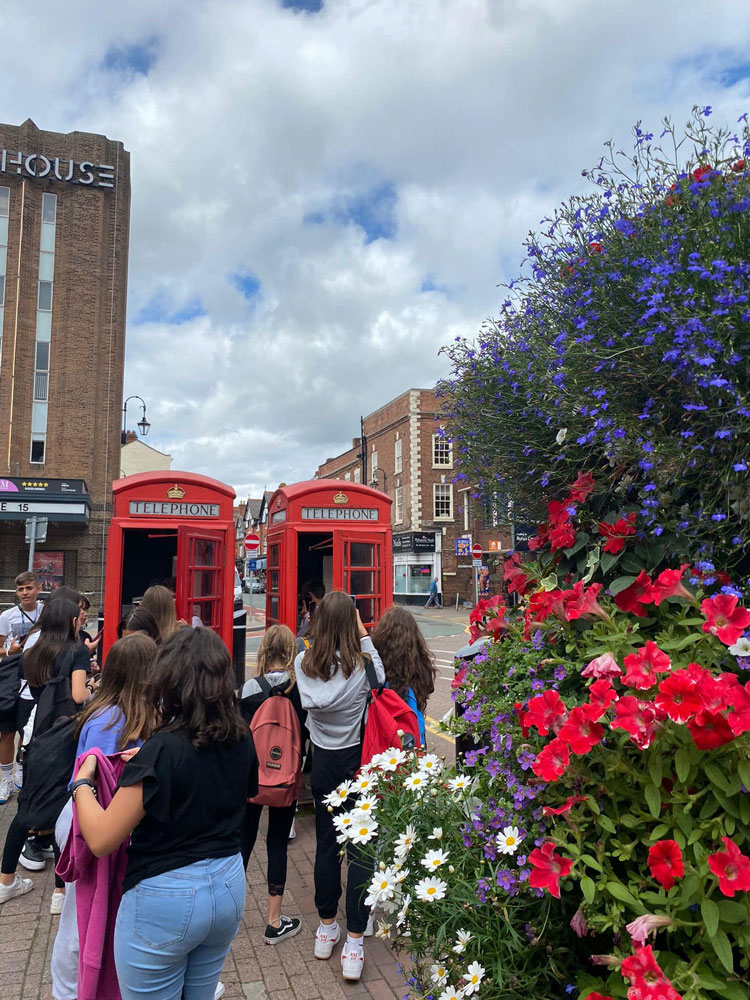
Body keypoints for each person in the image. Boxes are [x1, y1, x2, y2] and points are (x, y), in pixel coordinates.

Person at [70, 627, 258, 1000]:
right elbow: (216, 777)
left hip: (165, 897)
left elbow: (102, 838)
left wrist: (82, 783)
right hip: (227, 884)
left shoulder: (161, 751)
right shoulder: (241, 736)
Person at [51, 633, 158, 998]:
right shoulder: (109, 722)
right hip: (88, 822)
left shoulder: (122, 713)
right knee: (80, 918)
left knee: (94, 911)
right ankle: (68, 990)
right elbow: (96, 782)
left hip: (100, 822)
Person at [295, 591, 384, 982]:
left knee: (327, 846)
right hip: (356, 762)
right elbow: (381, 678)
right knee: (362, 850)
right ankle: (354, 943)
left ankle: (326, 927)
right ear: (351, 623)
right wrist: (363, 634)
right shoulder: (361, 666)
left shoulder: (302, 664)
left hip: (324, 765)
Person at [0, 597, 90, 903]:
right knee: (64, 807)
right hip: (64, 734)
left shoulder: (33, 651)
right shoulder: (77, 650)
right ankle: (60, 892)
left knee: (26, 806)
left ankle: (6, 881)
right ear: (70, 621)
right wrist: (92, 688)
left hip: (35, 732)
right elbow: (78, 695)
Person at [238, 624, 306, 944]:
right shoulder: (300, 689)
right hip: (286, 778)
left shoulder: (249, 689)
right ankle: (274, 922)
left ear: (264, 650)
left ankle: (228, 915)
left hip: (252, 776)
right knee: (277, 842)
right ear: (292, 651)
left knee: (243, 842)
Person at [0, 571, 45, 801]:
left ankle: (20, 770)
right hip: (11, 680)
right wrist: (11, 651)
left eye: (29, 588)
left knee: (26, 731)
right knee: (6, 732)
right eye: (20, 589)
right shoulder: (6, 616)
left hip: (35, 680)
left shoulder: (46, 613)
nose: (25, 593)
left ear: (38, 589)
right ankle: (5, 780)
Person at [371, 605, 437, 748]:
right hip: (414, 736)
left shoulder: (377, 662)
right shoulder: (421, 663)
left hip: (384, 734)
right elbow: (429, 688)